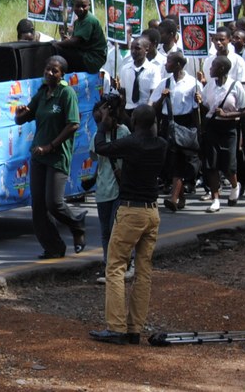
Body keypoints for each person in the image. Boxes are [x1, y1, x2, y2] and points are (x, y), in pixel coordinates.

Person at [89, 105, 168, 345]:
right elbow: (142, 128)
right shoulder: (161, 145)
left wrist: (103, 123)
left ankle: (115, 327)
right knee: (143, 271)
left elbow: (101, 148)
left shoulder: (131, 144)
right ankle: (134, 328)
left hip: (131, 211)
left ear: (134, 122)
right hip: (152, 213)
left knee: (114, 267)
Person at [14, 55, 87, 259]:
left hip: (56, 156)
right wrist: (19, 113)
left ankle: (77, 224)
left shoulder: (66, 94)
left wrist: (50, 146)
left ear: (62, 74)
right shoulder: (42, 93)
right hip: (38, 156)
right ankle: (53, 247)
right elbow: (24, 117)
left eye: (54, 71)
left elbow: (73, 124)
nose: (49, 73)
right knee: (38, 205)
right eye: (47, 69)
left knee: (53, 203)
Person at [150, 52, 202, 211]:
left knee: (179, 160)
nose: (166, 64)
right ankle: (180, 197)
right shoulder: (165, 82)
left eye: (169, 62)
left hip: (184, 123)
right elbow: (153, 106)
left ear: (178, 65)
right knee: (170, 160)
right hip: (168, 123)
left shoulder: (192, 83)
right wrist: (162, 98)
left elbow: (197, 108)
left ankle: (173, 198)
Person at [89, 93, 130, 283]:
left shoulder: (123, 132)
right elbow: (96, 156)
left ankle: (123, 266)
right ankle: (109, 265)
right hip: (103, 189)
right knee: (106, 231)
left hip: (120, 189)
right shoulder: (98, 135)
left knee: (117, 230)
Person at [201, 55, 245, 211]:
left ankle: (235, 185)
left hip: (228, 128)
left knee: (228, 165)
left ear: (221, 69)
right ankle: (216, 198)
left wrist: (227, 115)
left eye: (213, 66)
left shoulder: (235, 86)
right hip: (212, 127)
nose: (210, 69)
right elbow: (205, 106)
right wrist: (199, 102)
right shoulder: (209, 86)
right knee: (212, 164)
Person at [53, 0, 107, 75]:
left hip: (93, 59)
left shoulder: (89, 20)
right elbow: (76, 41)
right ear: (73, 6)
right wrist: (68, 41)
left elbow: (76, 41)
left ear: (89, 6)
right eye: (77, 6)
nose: (81, 9)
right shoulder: (78, 22)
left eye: (84, 6)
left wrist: (57, 44)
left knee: (57, 50)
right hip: (85, 54)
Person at [116, 37, 162, 123]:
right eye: (132, 48)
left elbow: (153, 95)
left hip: (145, 113)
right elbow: (124, 94)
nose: (133, 51)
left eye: (137, 48)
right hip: (129, 111)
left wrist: (146, 112)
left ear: (146, 50)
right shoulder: (125, 69)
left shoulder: (153, 70)